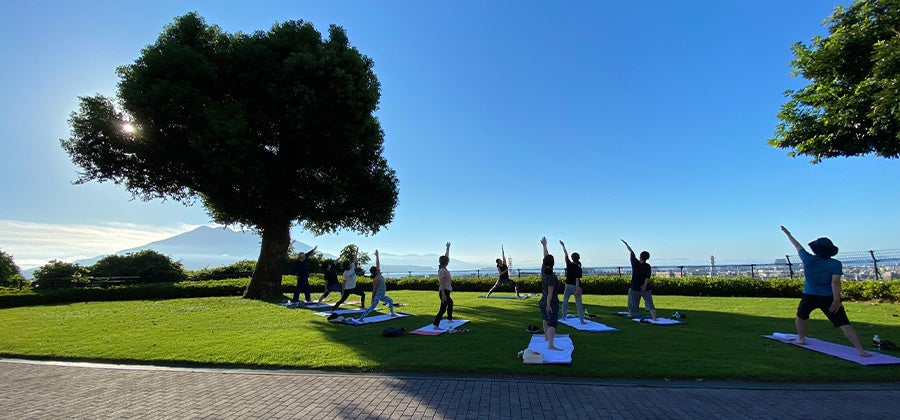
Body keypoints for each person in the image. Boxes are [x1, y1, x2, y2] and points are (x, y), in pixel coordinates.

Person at [780, 226, 870, 357]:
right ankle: (860, 350)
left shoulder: (808, 259)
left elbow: (797, 245)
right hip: (828, 297)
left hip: (809, 295)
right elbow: (835, 283)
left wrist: (788, 234)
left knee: (801, 316)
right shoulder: (835, 264)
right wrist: (837, 300)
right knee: (843, 323)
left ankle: (801, 338)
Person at [357, 250, 396, 321]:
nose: (378, 268)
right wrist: (372, 299)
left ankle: (392, 313)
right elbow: (374, 289)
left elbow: (378, 263)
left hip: (382, 295)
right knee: (372, 307)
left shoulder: (378, 274)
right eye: (377, 269)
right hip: (378, 295)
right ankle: (361, 318)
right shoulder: (376, 278)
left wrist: (377, 255)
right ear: (375, 271)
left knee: (390, 301)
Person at [622, 239, 656, 320]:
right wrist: (644, 285)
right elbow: (648, 277)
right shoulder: (648, 266)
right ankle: (654, 317)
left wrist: (626, 244)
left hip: (634, 287)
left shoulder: (635, 263)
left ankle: (631, 314)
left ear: (640, 257)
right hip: (645, 288)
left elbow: (631, 251)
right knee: (649, 302)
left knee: (632, 302)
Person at [539, 237, 562, 351]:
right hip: (550, 301)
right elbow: (550, 293)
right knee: (552, 324)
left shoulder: (543, 270)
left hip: (542, 300)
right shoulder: (551, 277)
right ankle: (551, 345)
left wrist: (544, 245)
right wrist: (549, 305)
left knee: (545, 319)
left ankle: (546, 338)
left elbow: (545, 257)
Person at [329, 246, 366, 316]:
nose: (350, 264)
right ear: (347, 266)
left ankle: (363, 306)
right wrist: (342, 292)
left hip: (354, 288)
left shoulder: (352, 266)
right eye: (349, 264)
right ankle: (332, 310)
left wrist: (357, 252)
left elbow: (354, 259)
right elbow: (343, 283)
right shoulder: (345, 273)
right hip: (348, 289)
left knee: (363, 294)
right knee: (341, 301)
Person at [559, 240, 586, 324]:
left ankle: (563, 317)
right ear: (578, 258)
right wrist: (577, 290)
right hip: (575, 286)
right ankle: (581, 320)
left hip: (568, 285)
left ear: (572, 258)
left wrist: (563, 246)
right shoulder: (578, 268)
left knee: (565, 301)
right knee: (578, 304)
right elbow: (577, 280)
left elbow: (565, 254)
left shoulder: (569, 264)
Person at [432, 242, 454, 330]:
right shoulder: (442, 271)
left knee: (450, 304)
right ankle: (436, 325)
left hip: (446, 291)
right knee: (443, 309)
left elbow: (446, 257)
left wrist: (448, 249)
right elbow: (441, 283)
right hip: (443, 291)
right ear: (446, 263)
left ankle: (449, 319)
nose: (448, 261)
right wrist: (444, 294)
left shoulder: (443, 268)